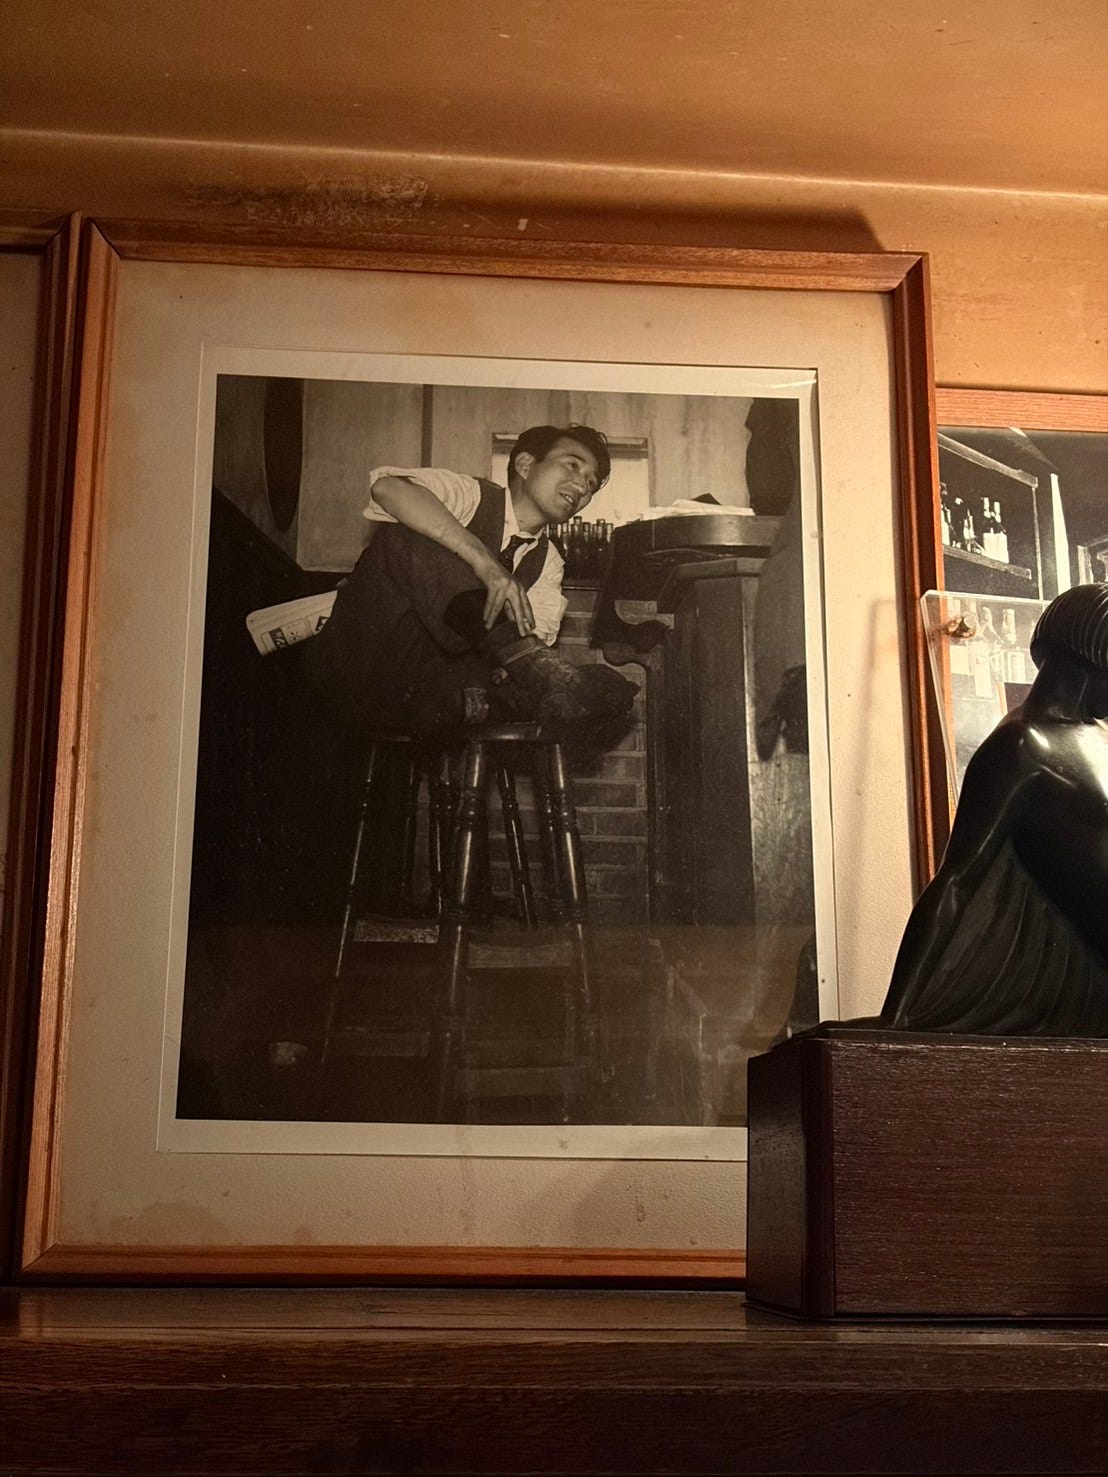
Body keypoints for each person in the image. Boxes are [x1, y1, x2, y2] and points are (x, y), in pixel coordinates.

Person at [303, 424, 636, 750]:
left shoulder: (548, 561)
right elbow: (387, 489)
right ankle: (496, 700)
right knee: (408, 532)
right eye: (573, 465)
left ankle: (474, 702)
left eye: (591, 483)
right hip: (361, 670)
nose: (582, 486)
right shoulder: (470, 495)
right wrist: (486, 564)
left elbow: (532, 646)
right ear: (525, 464)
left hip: (431, 696)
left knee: (539, 674)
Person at [878, 581, 1108, 1036]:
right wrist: (897, 1016)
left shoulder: (1097, 738)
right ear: (1093, 656)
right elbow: (958, 881)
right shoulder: (1020, 745)